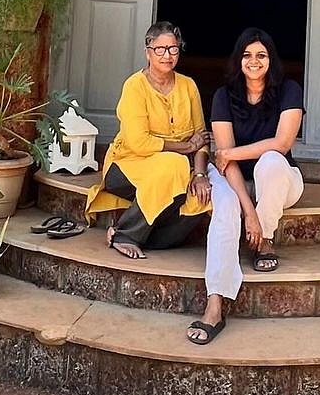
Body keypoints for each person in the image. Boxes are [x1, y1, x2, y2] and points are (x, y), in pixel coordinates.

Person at [186, 27, 304, 344]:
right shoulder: (224, 96)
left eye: (261, 55)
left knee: (270, 161)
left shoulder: (289, 90)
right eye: (247, 55)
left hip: (280, 182)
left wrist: (230, 153)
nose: (254, 61)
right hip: (236, 179)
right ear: (238, 60)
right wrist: (248, 212)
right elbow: (226, 165)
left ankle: (265, 239)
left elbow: (281, 143)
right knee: (225, 207)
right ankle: (214, 305)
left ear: (271, 59)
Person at [85, 21, 211, 259]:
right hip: (126, 167)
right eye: (160, 49)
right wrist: (185, 146)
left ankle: (128, 234)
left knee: (200, 199)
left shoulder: (188, 86)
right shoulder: (135, 86)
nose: (167, 55)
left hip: (175, 172)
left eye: (173, 49)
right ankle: (127, 235)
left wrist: (200, 175)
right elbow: (139, 143)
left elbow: (202, 138)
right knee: (174, 165)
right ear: (148, 52)